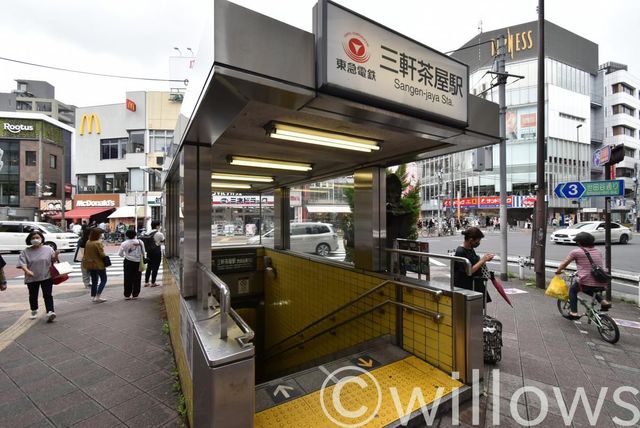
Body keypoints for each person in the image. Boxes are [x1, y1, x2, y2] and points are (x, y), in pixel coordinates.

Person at [555, 232, 611, 319]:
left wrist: (558, 271)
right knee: (588, 289)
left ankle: (573, 313)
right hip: (602, 280)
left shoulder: (576, 252)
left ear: (580, 243)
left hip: (586, 281)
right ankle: (603, 302)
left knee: (573, 290)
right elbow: (592, 265)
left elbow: (564, 264)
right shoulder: (598, 251)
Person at [17, 231, 59, 322]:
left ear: (42, 239)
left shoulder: (48, 249)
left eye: (37, 238)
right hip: (32, 277)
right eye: (33, 238)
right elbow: (22, 264)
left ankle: (50, 311)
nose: (35, 239)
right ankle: (34, 310)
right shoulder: (25, 251)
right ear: (29, 240)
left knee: (48, 294)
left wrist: (56, 255)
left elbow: (53, 260)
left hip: (46, 275)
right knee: (33, 295)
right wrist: (27, 271)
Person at [453, 227, 494, 305]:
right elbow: (469, 271)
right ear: (471, 240)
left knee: (477, 308)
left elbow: (475, 263)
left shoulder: (470, 248)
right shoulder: (460, 252)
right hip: (465, 287)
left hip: (473, 284)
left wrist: (485, 259)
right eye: (478, 241)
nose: (479, 243)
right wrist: (483, 260)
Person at [82, 228, 108, 303]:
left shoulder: (88, 242)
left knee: (94, 281)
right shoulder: (97, 243)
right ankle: (98, 296)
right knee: (103, 279)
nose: (101, 235)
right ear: (98, 234)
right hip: (99, 264)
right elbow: (102, 254)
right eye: (100, 234)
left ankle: (93, 296)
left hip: (90, 264)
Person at [118, 229, 145, 300]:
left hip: (128, 262)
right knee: (137, 278)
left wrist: (126, 255)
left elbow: (120, 254)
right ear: (135, 235)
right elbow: (143, 252)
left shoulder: (124, 243)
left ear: (126, 235)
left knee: (127, 278)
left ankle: (127, 295)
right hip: (138, 262)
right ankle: (135, 294)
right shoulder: (140, 242)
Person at [144, 220, 165, 287]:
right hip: (156, 252)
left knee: (149, 267)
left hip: (149, 252)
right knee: (155, 267)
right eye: (159, 225)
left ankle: (146, 282)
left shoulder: (147, 233)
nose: (160, 226)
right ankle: (153, 283)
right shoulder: (159, 234)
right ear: (157, 226)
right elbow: (163, 241)